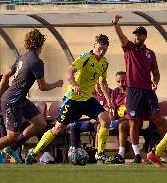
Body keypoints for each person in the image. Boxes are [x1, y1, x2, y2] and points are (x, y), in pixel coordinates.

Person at [0, 29, 63, 164]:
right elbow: (43, 87)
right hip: (12, 101)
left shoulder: (23, 57)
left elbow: (5, 76)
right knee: (11, 136)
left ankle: (13, 148)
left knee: (40, 123)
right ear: (40, 44)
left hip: (19, 99)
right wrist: (57, 84)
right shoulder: (37, 62)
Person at [26, 34, 113, 164]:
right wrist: (75, 85)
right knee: (58, 129)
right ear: (94, 45)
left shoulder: (104, 63)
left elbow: (103, 82)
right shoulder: (85, 57)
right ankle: (33, 153)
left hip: (87, 99)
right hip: (73, 99)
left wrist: (108, 99)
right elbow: (69, 73)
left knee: (105, 120)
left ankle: (100, 154)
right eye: (100, 48)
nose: (102, 51)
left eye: (105, 49)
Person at [113, 15, 167, 165]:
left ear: (144, 36)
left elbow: (155, 72)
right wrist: (116, 25)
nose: (136, 37)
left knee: (158, 120)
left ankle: (163, 149)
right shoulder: (129, 47)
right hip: (133, 91)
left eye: (139, 34)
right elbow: (122, 38)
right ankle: (137, 154)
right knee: (133, 123)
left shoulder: (151, 53)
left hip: (148, 91)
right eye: (135, 35)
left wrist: (156, 81)